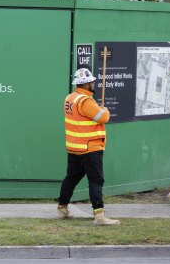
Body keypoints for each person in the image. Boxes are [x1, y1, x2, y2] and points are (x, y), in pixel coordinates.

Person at [57, 68, 120, 226]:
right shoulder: (85, 101)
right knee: (96, 180)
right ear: (85, 84)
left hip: (75, 147)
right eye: (91, 82)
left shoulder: (70, 98)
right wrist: (104, 109)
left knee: (71, 178)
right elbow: (103, 117)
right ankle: (99, 215)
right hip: (90, 148)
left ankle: (62, 207)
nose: (94, 84)